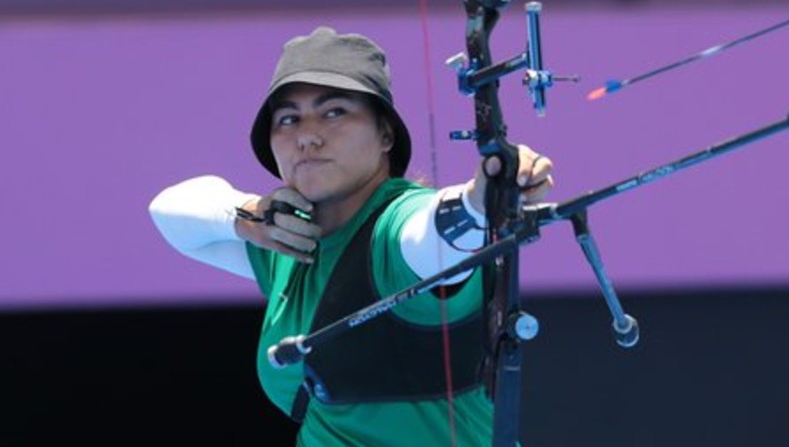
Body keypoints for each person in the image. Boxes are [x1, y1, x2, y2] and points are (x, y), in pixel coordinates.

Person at [148, 26, 553, 446]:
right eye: (288, 118)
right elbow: (168, 214)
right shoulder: (289, 241)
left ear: (385, 135)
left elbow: (430, 234)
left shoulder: (394, 226)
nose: (307, 135)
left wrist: (481, 199)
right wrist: (246, 216)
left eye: (334, 111)